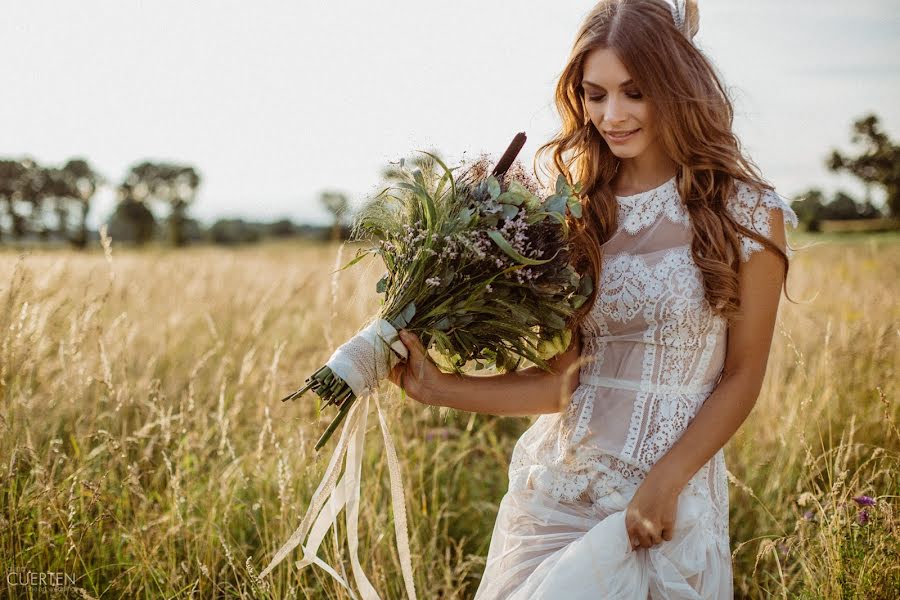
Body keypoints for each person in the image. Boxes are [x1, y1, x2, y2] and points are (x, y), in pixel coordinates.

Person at [388, 0, 798, 597]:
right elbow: (562, 385)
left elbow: (742, 375)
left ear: (677, 88)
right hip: (560, 496)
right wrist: (435, 386)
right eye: (595, 94)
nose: (612, 115)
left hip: (664, 503)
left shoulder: (747, 213)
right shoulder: (576, 215)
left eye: (634, 92)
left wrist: (666, 482)